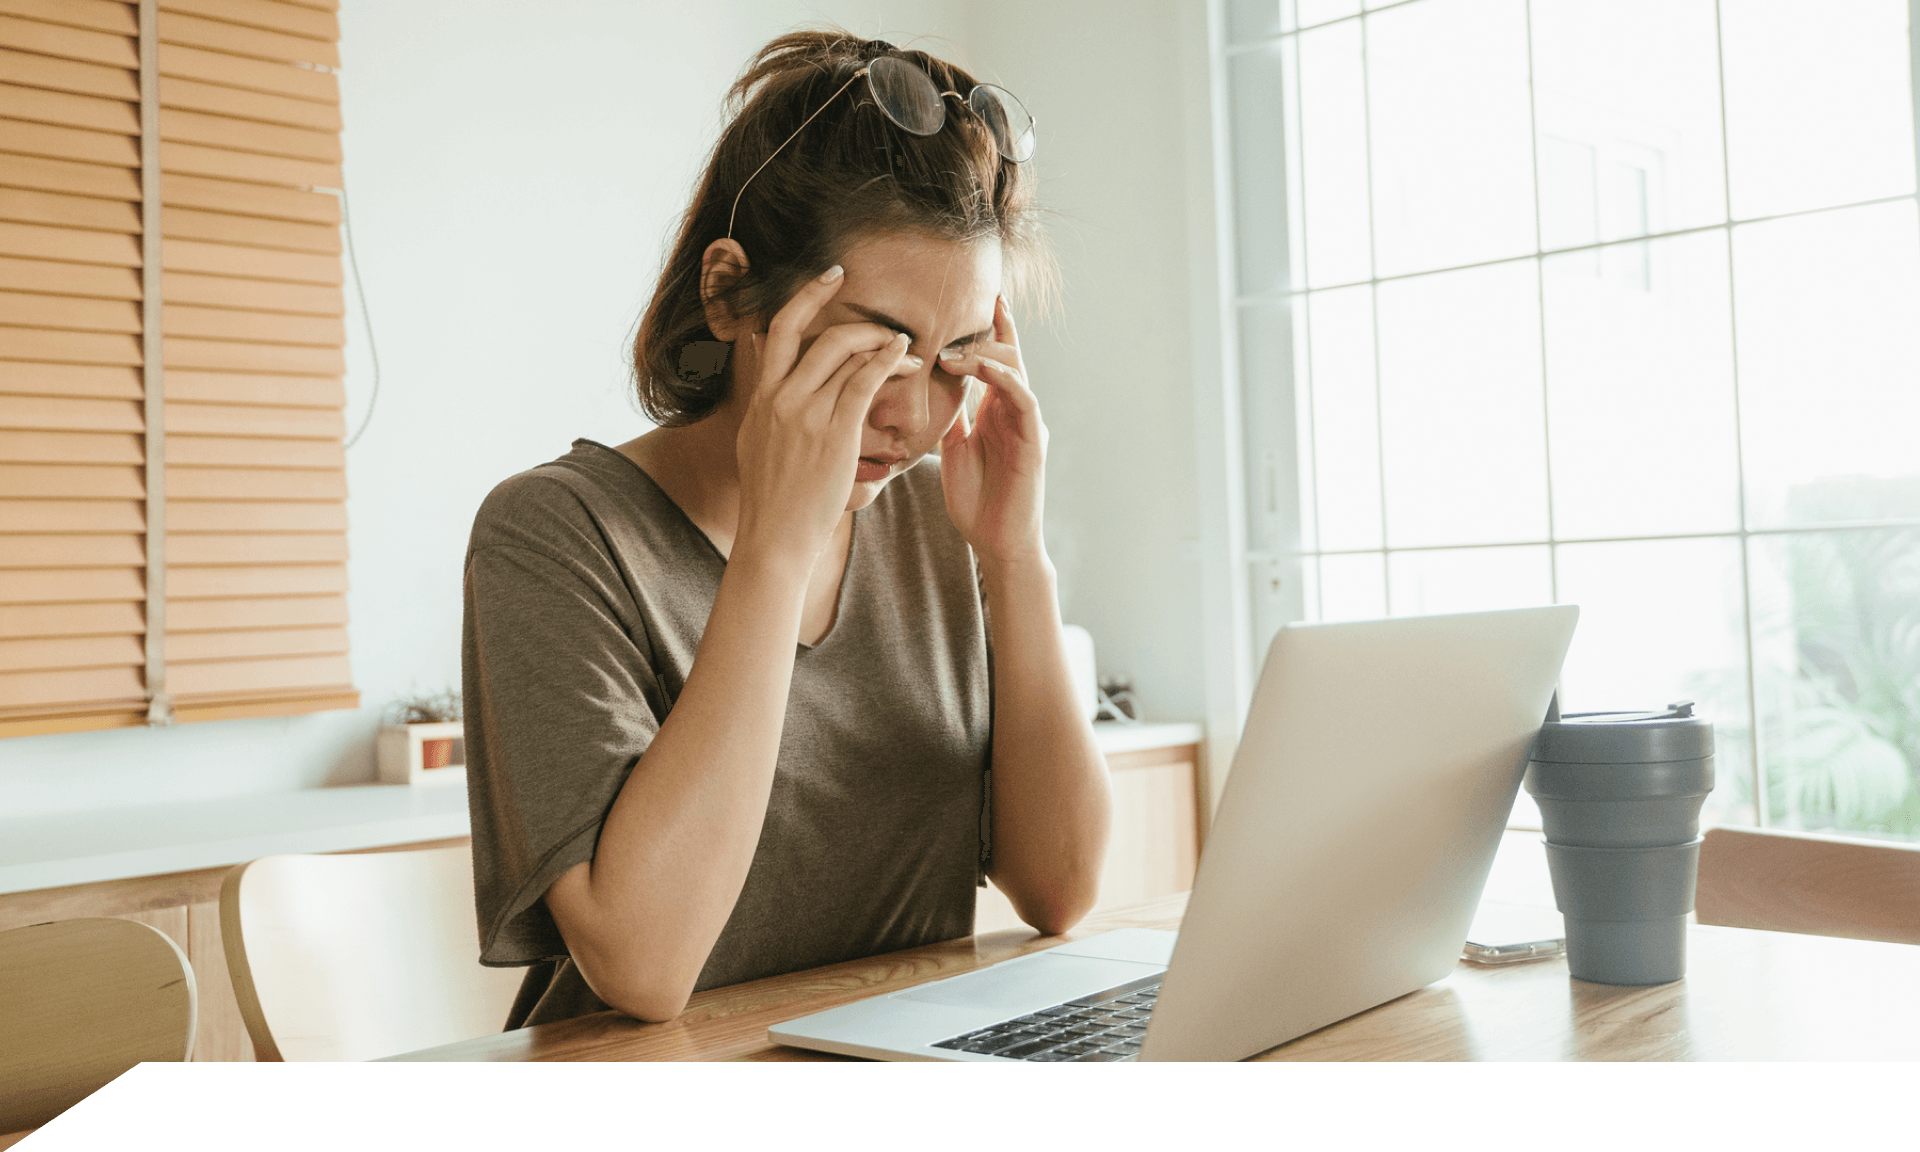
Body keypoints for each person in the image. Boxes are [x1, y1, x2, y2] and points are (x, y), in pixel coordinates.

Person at [461, 30, 1110, 1029]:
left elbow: (1060, 887)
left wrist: (1017, 560)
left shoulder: (943, 521)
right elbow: (642, 966)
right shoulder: (555, 531)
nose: (917, 419)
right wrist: (775, 544)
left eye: (956, 360)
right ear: (728, 292)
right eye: (876, 353)